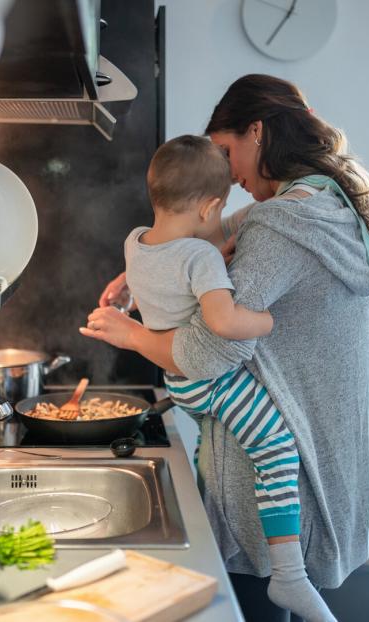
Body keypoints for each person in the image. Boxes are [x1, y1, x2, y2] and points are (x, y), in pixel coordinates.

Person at [81, 74, 369, 622]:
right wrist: (142, 268)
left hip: (266, 486)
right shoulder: (328, 202)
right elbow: (212, 231)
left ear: (258, 130)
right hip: (327, 460)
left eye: (226, 152)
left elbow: (202, 355)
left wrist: (130, 333)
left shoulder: (281, 224)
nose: (227, 176)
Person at [118, 134, 334, 621]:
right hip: (212, 380)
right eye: (219, 211)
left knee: (210, 447)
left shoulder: (135, 242)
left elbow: (152, 282)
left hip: (180, 382)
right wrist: (269, 321)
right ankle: (289, 576)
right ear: (210, 206)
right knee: (275, 448)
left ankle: (215, 538)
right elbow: (223, 322)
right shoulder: (200, 259)